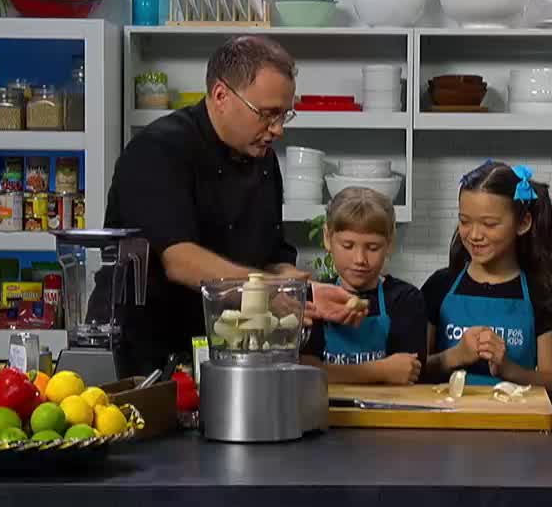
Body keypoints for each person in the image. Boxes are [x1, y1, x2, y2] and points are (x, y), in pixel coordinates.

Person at [101, 35, 365, 374]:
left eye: (285, 115)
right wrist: (269, 291)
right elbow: (180, 260)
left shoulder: (263, 161)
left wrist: (303, 293)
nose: (278, 129)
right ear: (221, 96)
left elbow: (270, 260)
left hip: (223, 353)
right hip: (143, 358)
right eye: (267, 114)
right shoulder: (158, 150)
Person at [421, 160, 552, 400]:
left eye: (489, 224)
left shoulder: (541, 293)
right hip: (446, 423)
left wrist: (508, 369)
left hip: (517, 426)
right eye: (465, 221)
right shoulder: (439, 286)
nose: (475, 235)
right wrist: (455, 356)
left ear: (522, 224)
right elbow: (415, 371)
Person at [299, 187, 427, 385]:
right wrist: (381, 371)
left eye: (372, 247)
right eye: (348, 246)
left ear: (390, 244)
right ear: (327, 238)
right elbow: (305, 371)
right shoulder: (313, 297)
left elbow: (407, 370)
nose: (360, 259)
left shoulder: (406, 299)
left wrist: (330, 372)